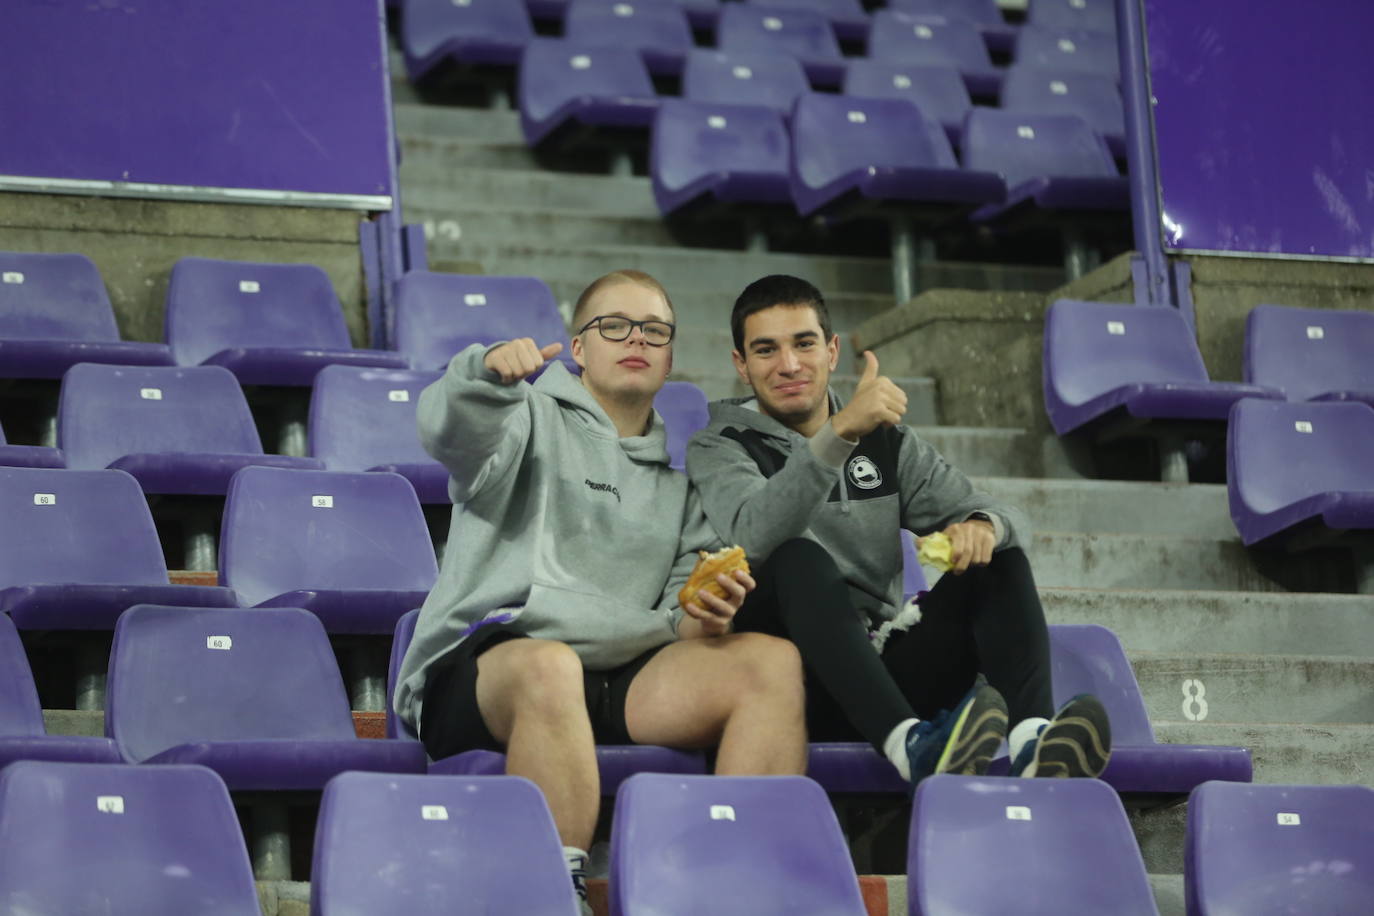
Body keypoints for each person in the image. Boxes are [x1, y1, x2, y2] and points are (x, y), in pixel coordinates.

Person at [394, 270, 807, 915]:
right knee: (549, 663)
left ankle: (737, 883)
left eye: (654, 330)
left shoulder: (681, 487)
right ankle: (555, 892)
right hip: (491, 670)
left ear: (670, 358)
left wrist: (705, 617)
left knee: (770, 663)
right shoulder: (521, 418)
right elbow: (451, 433)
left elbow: (676, 622)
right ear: (580, 347)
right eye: (613, 325)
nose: (634, 338)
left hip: (618, 677)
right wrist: (485, 377)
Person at [685, 274, 1111, 788]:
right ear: (741, 365)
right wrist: (839, 435)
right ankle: (906, 745)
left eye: (804, 343)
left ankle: (1034, 742)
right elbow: (754, 533)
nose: (790, 365)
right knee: (799, 556)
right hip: (790, 684)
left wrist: (981, 526)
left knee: (997, 552)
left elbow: (1000, 512)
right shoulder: (719, 446)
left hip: (885, 665)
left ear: (832, 350)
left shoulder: (885, 441)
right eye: (766, 350)